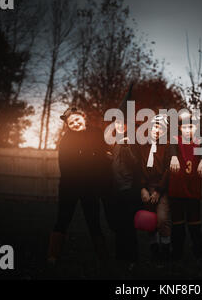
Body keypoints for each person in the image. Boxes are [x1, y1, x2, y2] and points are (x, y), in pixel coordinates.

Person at [47, 107, 112, 266]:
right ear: (67, 126)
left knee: (94, 221)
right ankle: (52, 256)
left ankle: (103, 258)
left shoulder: (97, 133)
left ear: (84, 117)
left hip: (90, 187)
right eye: (71, 123)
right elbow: (66, 166)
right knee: (63, 219)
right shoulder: (66, 141)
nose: (75, 124)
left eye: (77, 120)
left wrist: (106, 157)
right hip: (70, 186)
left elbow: (104, 154)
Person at [105, 84, 142, 268]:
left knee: (128, 226)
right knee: (117, 224)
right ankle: (120, 257)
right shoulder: (114, 142)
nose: (119, 126)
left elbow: (137, 165)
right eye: (117, 122)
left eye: (122, 123)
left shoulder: (133, 141)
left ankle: (132, 258)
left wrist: (128, 153)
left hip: (129, 190)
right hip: (116, 190)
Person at [169, 111, 202, 260]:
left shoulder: (199, 141)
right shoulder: (175, 140)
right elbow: (172, 147)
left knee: (194, 224)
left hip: (193, 190)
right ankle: (177, 253)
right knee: (177, 224)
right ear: (179, 129)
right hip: (177, 189)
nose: (187, 130)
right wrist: (173, 156)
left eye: (190, 127)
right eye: (184, 127)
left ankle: (199, 251)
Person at [136, 114, 175, 262]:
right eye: (154, 126)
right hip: (146, 185)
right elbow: (138, 168)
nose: (157, 130)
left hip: (162, 185)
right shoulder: (142, 145)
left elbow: (168, 170)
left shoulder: (167, 146)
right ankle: (154, 249)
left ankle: (165, 249)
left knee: (162, 218)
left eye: (160, 127)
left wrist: (159, 190)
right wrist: (142, 188)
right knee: (149, 220)